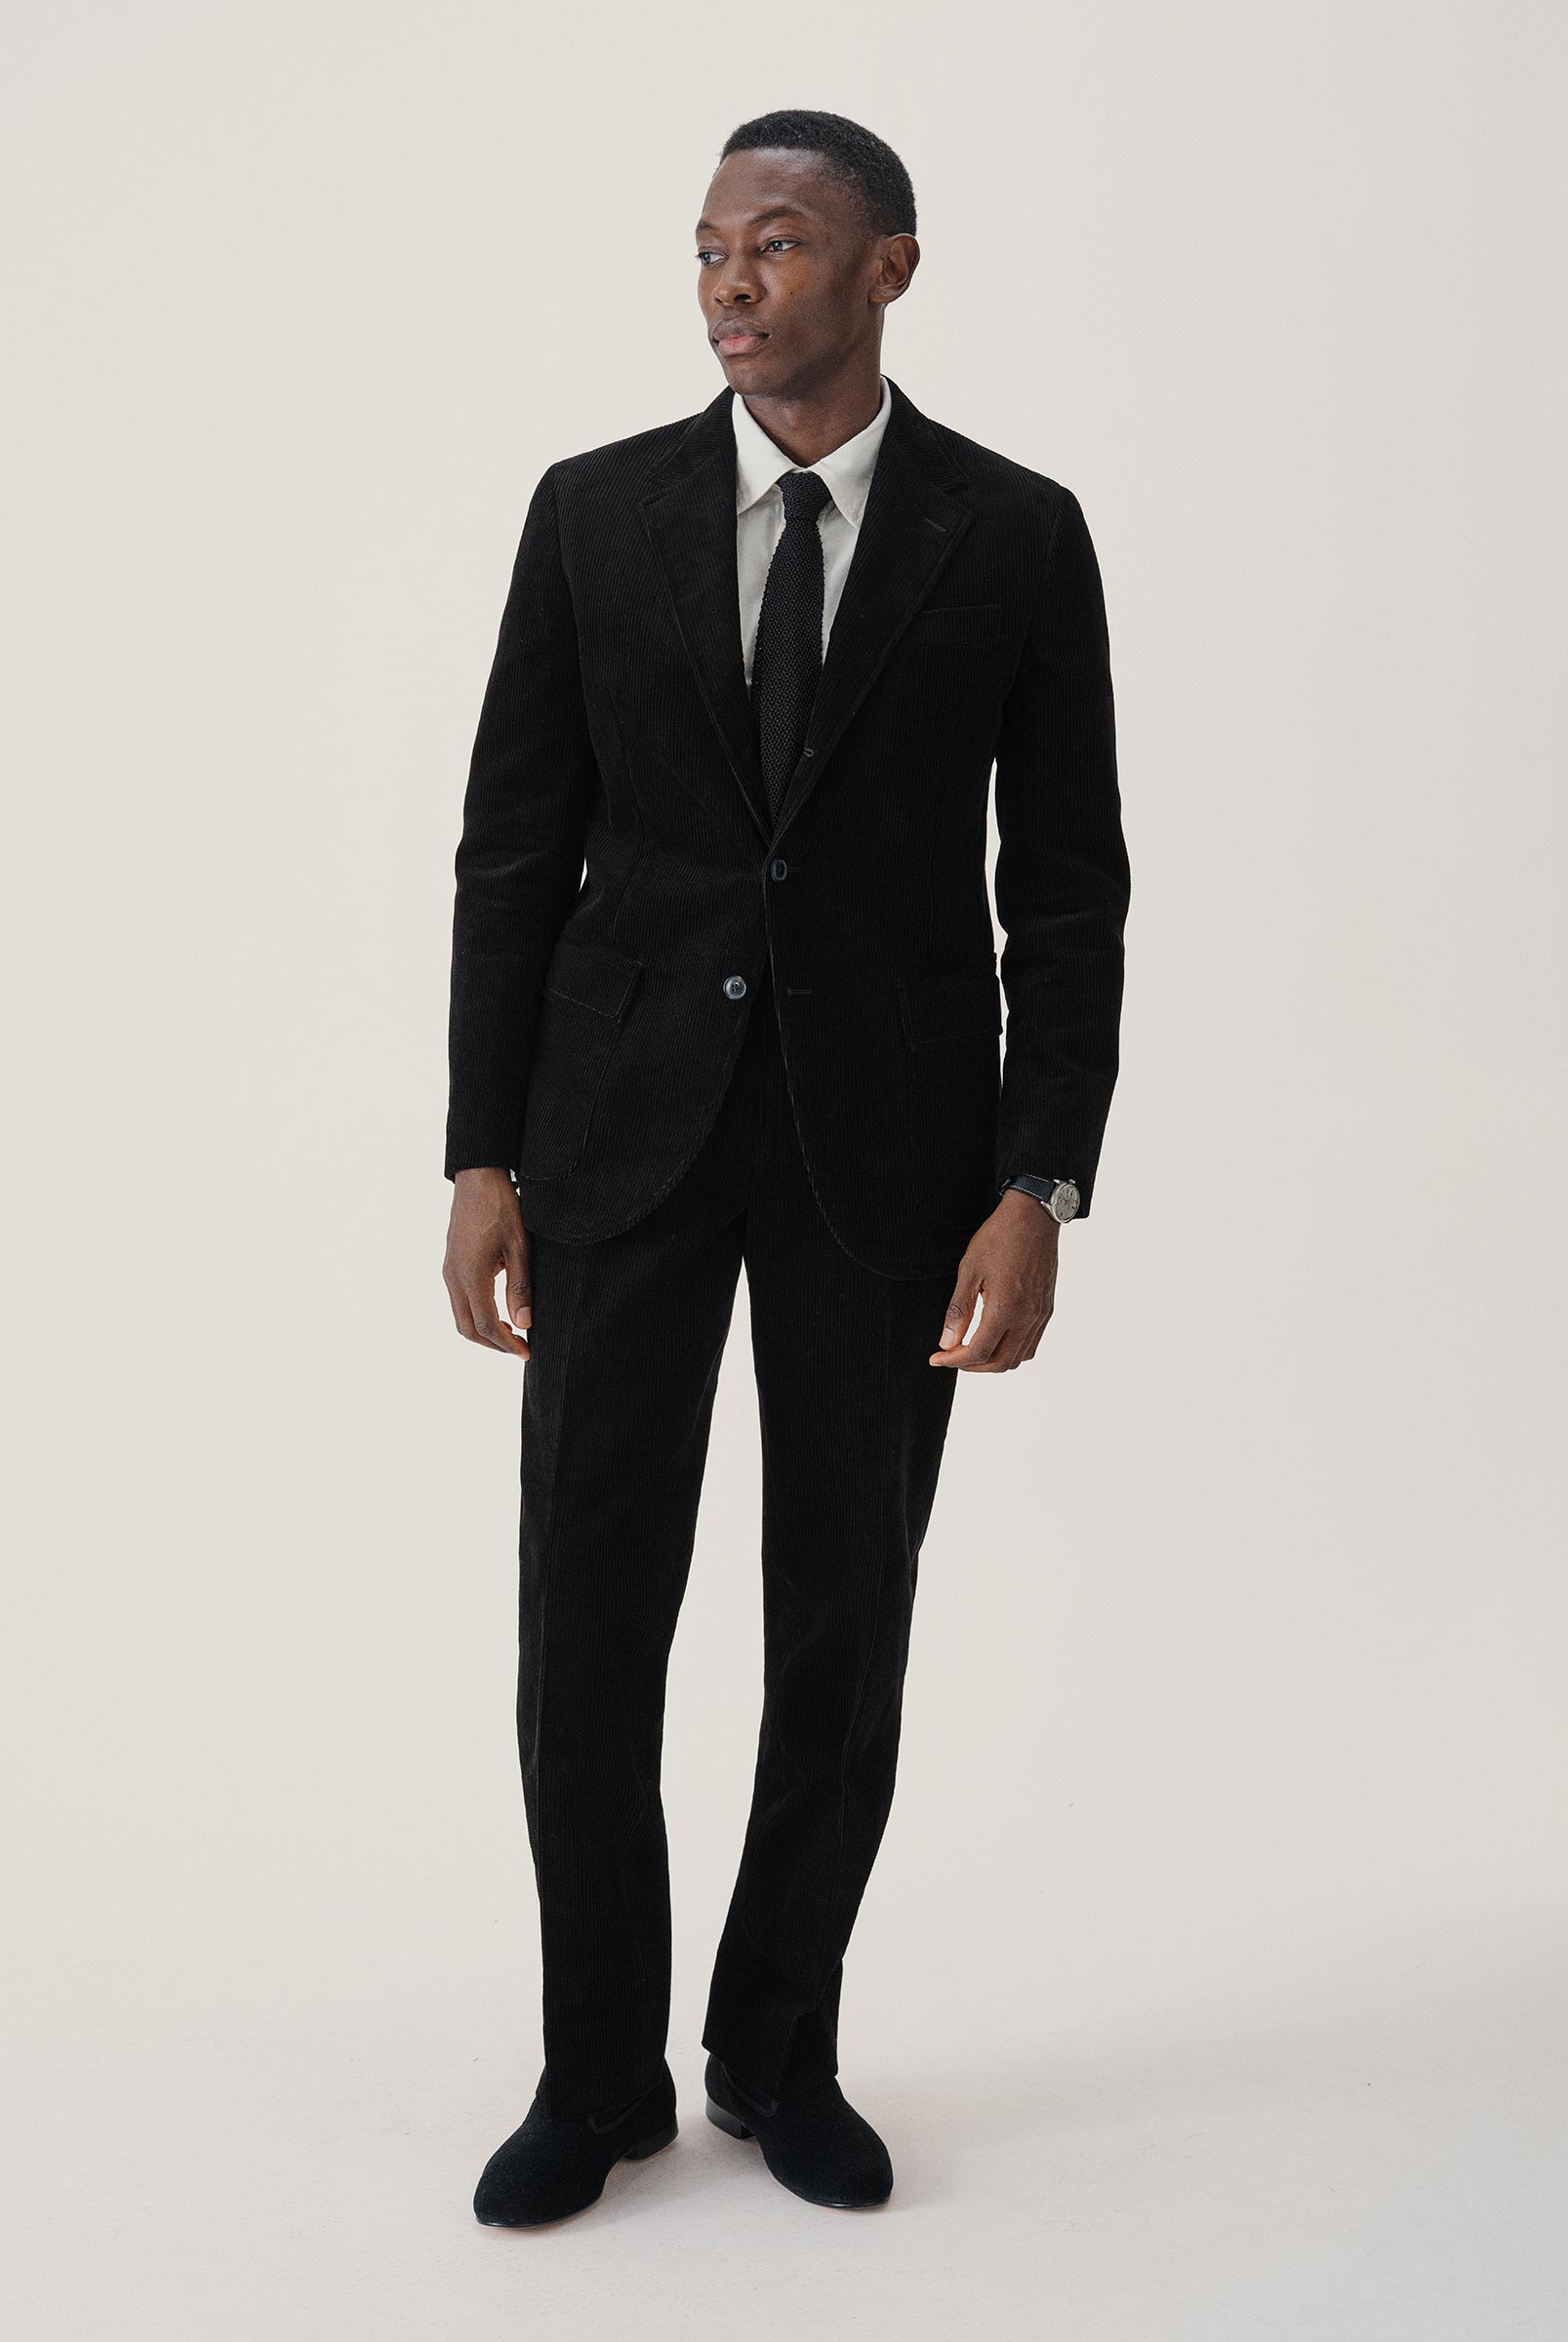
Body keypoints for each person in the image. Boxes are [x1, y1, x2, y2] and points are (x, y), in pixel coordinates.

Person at [442, 106, 1129, 2226]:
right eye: (710, 248)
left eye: (781, 243)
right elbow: (511, 852)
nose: (733, 283)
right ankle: (596, 2074)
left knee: (846, 1618)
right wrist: (480, 1154)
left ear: (888, 269)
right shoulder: (595, 513)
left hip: (892, 1160)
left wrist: (1040, 1182)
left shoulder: (1015, 534)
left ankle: (778, 2047)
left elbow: (1069, 886)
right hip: (619, 1139)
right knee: (588, 1616)